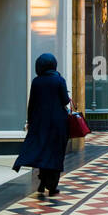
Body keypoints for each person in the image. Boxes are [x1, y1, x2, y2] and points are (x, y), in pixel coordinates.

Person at [13, 52, 71, 198]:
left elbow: (31, 104)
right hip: (58, 123)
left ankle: (42, 182)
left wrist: (30, 121)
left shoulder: (36, 81)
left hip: (40, 123)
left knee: (43, 150)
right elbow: (65, 101)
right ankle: (52, 187)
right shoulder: (59, 80)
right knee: (56, 152)